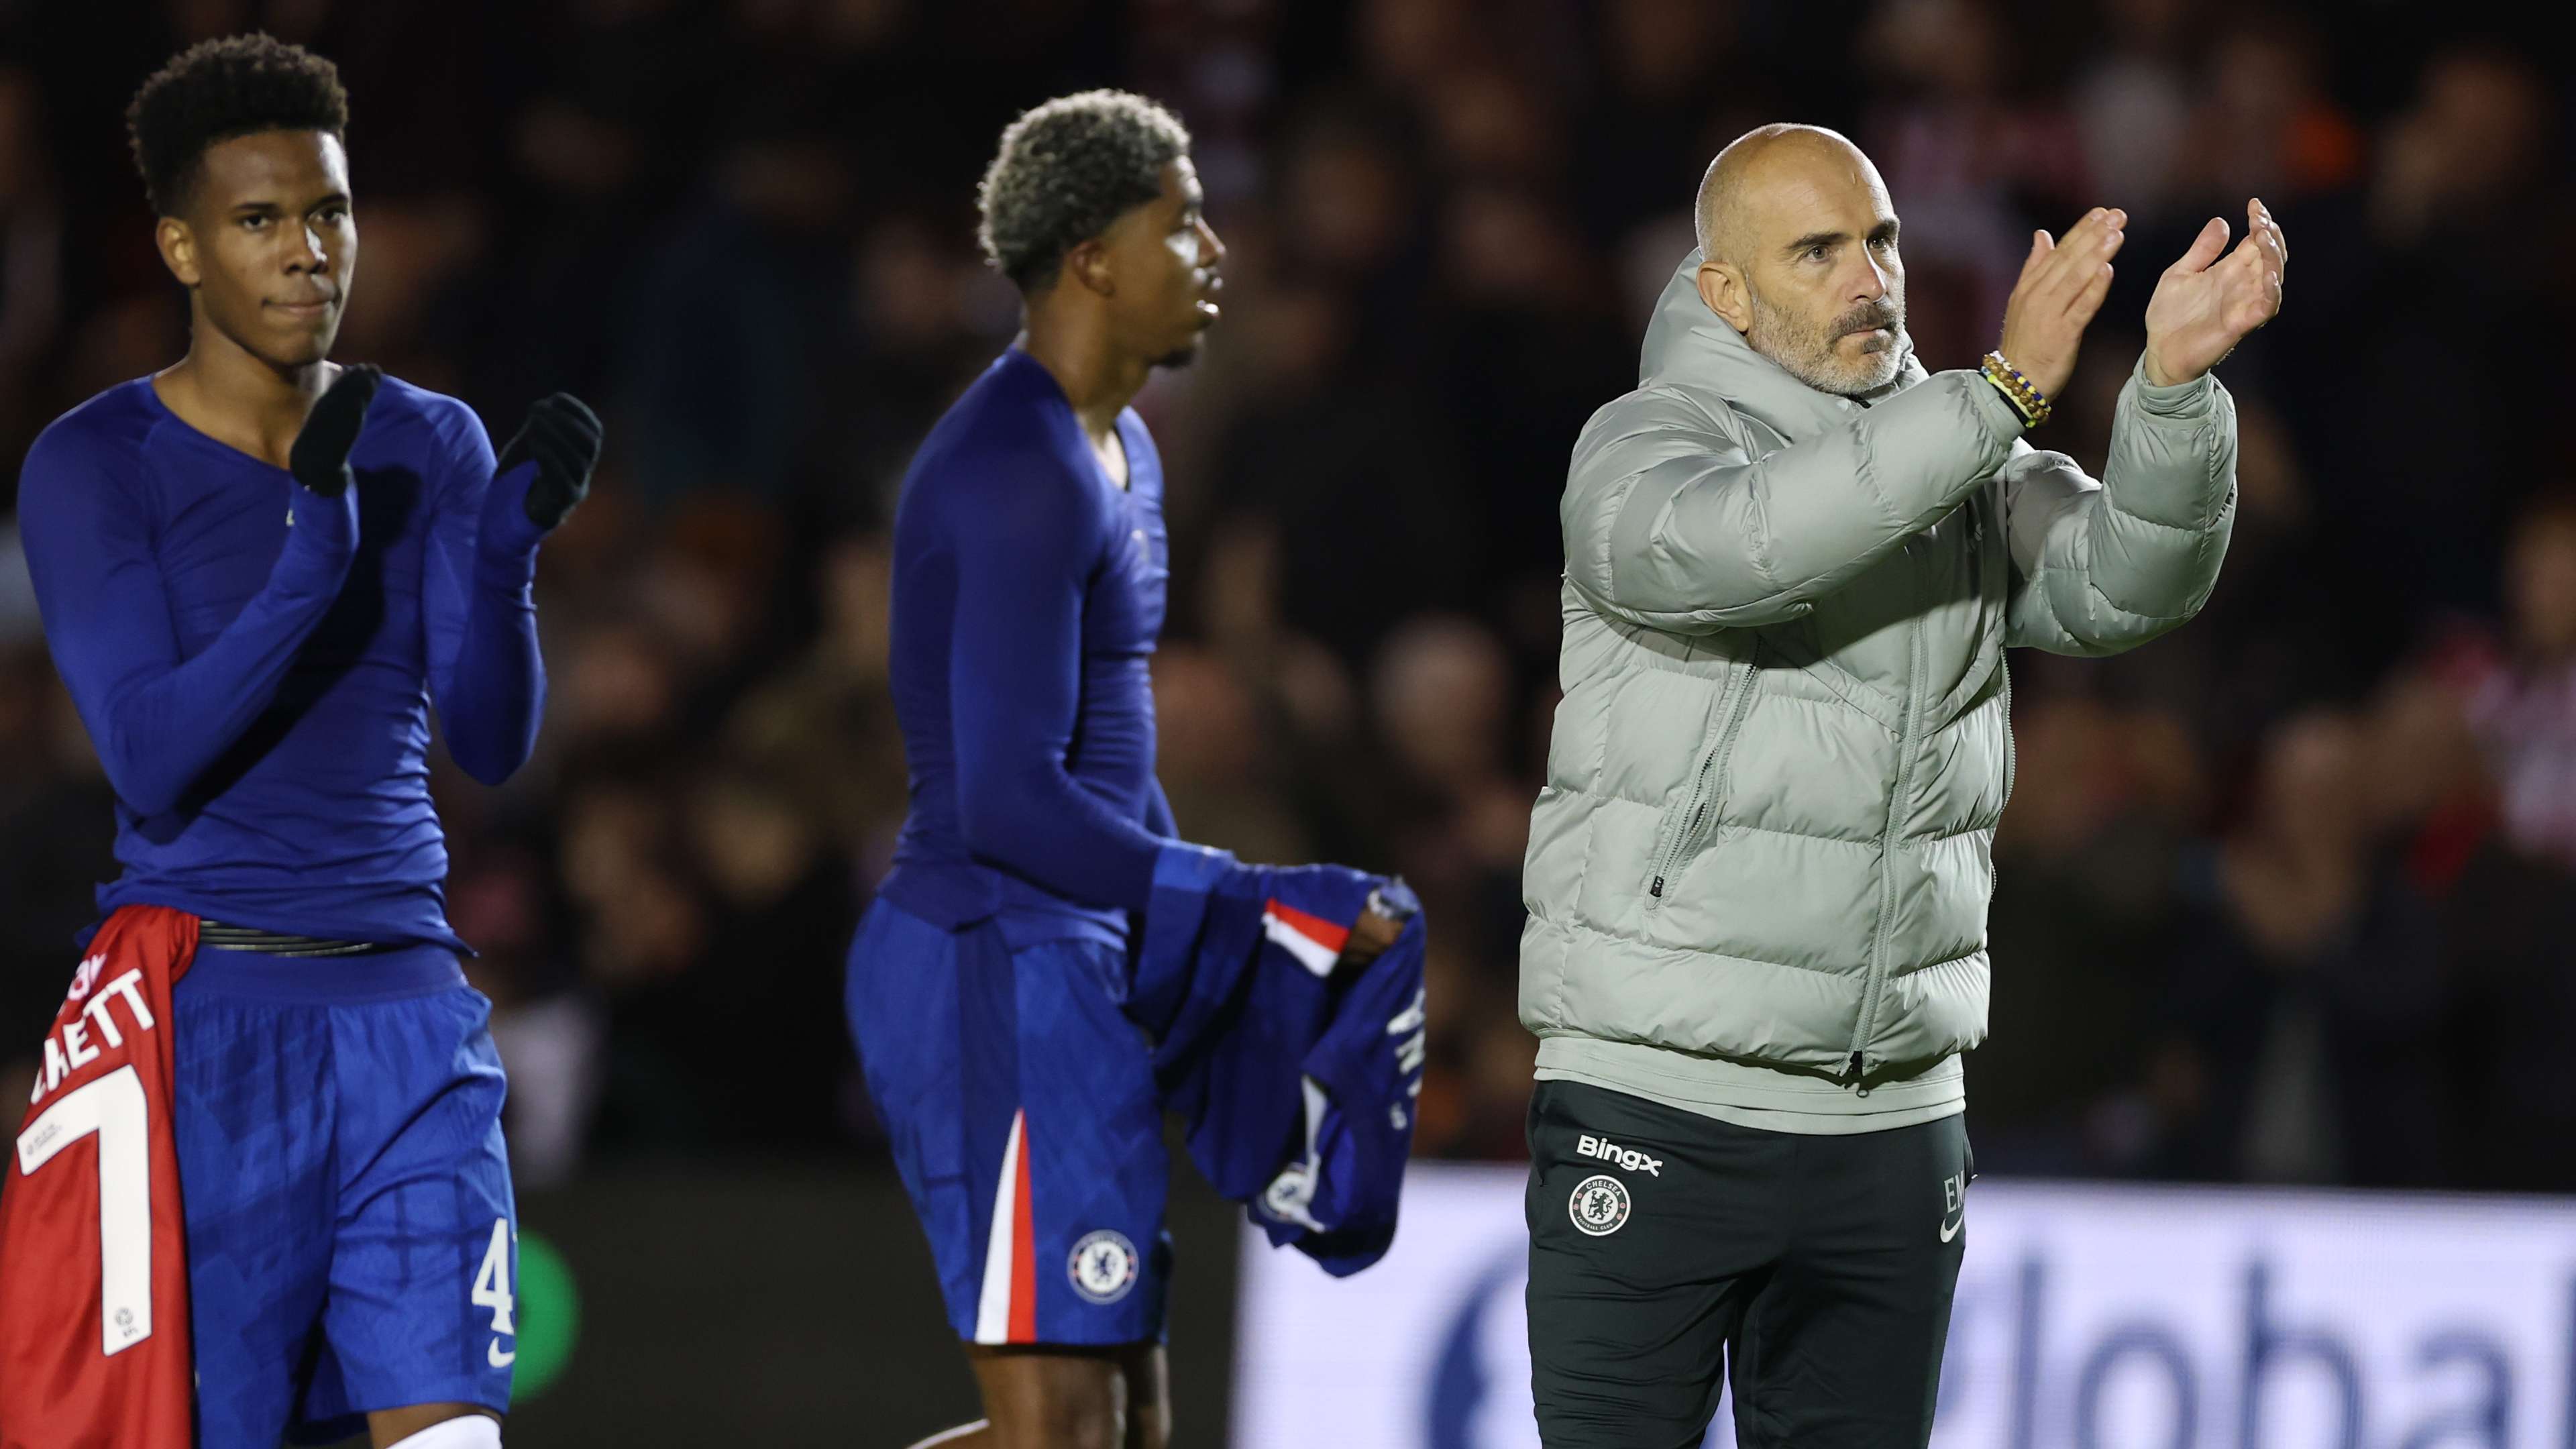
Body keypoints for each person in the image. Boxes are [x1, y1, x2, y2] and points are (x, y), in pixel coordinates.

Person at [1518, 123, 2282, 1446]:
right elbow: (1748, 546)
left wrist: (2166, 392)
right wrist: (1991, 400)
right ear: (1726, 295)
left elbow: (2123, 583)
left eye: (1880, 240)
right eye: (1819, 251)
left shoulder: (1957, 456)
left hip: (1893, 1125)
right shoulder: (1640, 449)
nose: (1871, 276)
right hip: (1658, 1104)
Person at [2, 36, 598, 1449]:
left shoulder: (431, 439)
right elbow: (147, 754)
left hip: (410, 1014)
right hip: (210, 1023)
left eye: (327, 212)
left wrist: (505, 560)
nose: (306, 251)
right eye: (259, 220)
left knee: (454, 1438)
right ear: (182, 247)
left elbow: (495, 743)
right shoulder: (95, 463)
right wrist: (308, 565)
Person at [845, 91, 1398, 1449]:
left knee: (1122, 1440)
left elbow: (1108, 768)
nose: (1216, 251)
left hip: (1070, 970)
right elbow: (1008, 802)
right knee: (1069, 1439)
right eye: (1184, 220)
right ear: (1091, 253)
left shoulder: (1127, 449)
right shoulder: (1017, 465)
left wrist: (1197, 942)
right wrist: (1253, 903)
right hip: (991, 964)